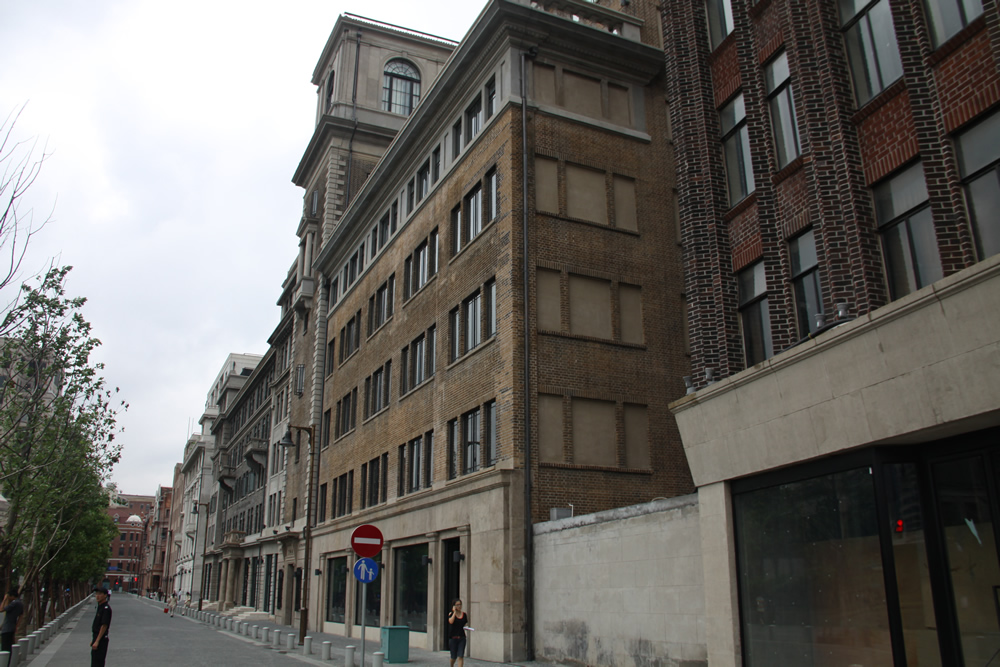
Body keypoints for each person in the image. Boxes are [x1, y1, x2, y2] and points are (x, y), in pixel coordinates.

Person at [1, 587, 24, 663]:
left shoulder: (14, 603)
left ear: (12, 596)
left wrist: (5, 599)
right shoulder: (20, 603)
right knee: (9, 647)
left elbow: (1, 609)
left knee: (5, 648)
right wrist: (17, 626)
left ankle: (5, 663)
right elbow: (21, 615)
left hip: (7, 629)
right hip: (12, 627)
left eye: (9, 596)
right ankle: (9, 662)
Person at [91, 586, 112, 667]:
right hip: (96, 637)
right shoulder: (100, 607)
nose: (97, 596)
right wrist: (93, 640)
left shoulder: (106, 609)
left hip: (101, 640)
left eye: (100, 594)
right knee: (94, 662)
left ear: (105, 595)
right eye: (96, 594)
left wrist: (97, 641)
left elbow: (104, 626)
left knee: (98, 663)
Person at [447, 598, 470, 667]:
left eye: (460, 604)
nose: (459, 606)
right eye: (457, 605)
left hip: (462, 638)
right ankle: (451, 665)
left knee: (460, 656)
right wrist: (454, 612)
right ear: (454, 606)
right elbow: (451, 621)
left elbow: (465, 624)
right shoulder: (451, 614)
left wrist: (467, 627)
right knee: (453, 657)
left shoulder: (464, 614)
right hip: (453, 638)